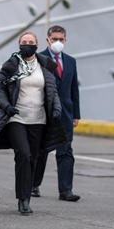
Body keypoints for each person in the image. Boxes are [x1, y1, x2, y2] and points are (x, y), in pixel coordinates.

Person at [0, 31, 67, 214]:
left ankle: (27, 195)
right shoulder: (11, 65)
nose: (27, 44)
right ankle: (23, 199)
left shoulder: (45, 65)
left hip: (39, 120)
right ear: (19, 45)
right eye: (24, 42)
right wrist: (6, 106)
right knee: (23, 154)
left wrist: (57, 108)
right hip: (16, 117)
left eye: (31, 42)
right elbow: (0, 89)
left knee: (33, 158)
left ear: (37, 45)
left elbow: (52, 91)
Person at [32, 25, 81, 201]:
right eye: (54, 39)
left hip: (66, 113)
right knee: (40, 150)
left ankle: (65, 190)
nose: (58, 42)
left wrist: (76, 114)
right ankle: (33, 185)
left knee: (66, 151)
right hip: (43, 111)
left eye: (61, 39)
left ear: (65, 41)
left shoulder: (70, 61)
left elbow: (74, 89)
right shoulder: (39, 59)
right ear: (48, 40)